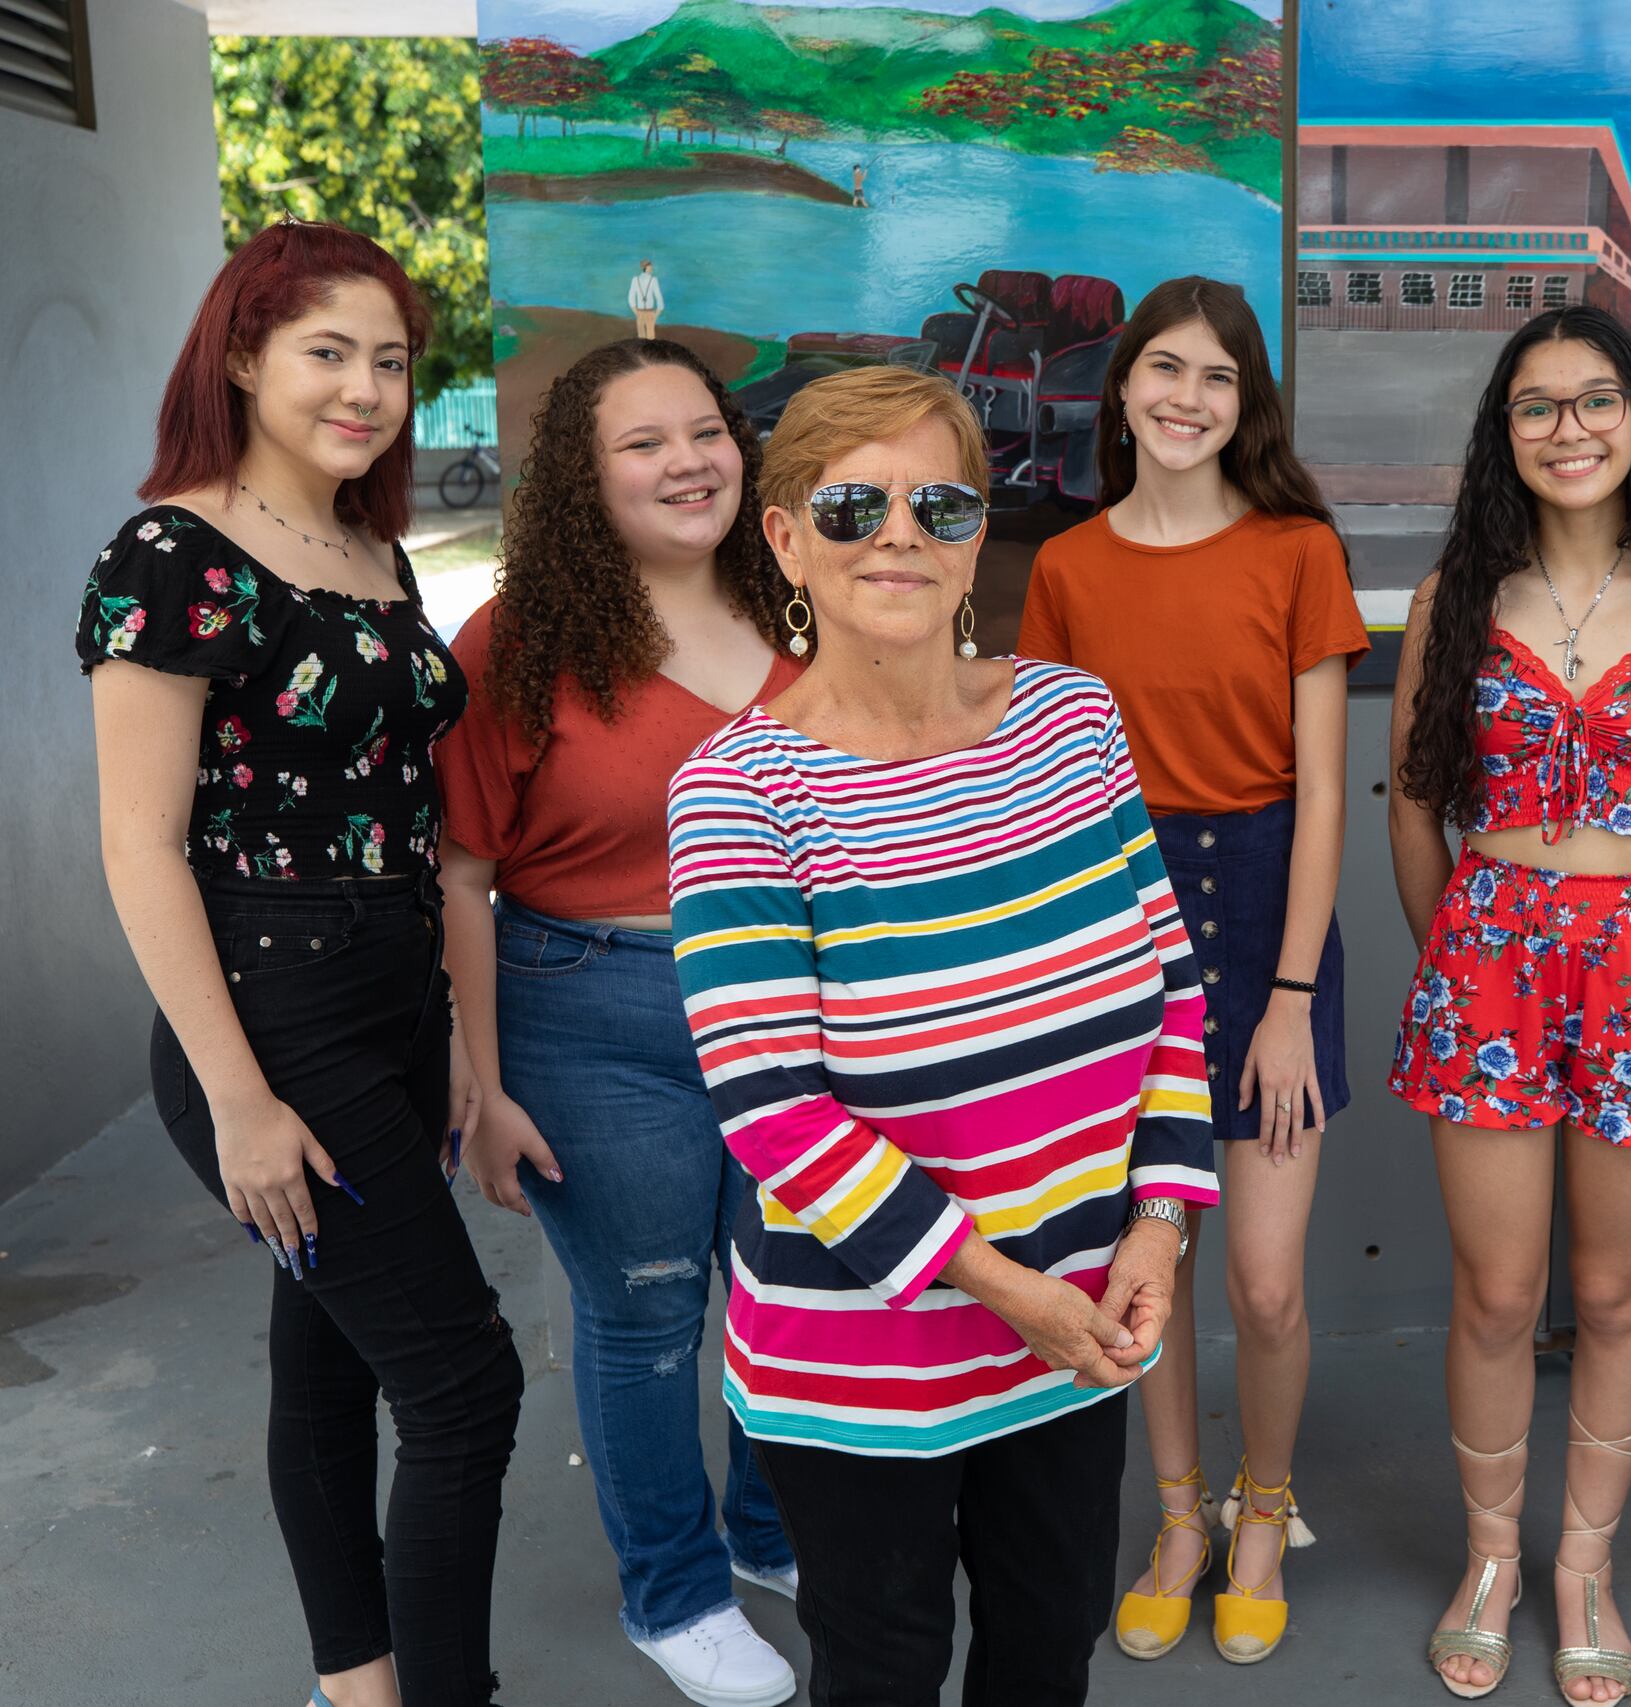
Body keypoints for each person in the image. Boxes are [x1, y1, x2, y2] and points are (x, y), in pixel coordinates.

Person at [666, 366, 1219, 1707]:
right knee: (885, 1661)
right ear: (787, 538)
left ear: (979, 535)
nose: (898, 532)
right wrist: (1005, 1285)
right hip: (864, 1357)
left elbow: (1170, 990)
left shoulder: (1072, 720)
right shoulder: (736, 790)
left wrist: (1156, 1226)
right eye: (852, 504)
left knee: (1051, 1636)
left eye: (940, 501)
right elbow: (777, 1112)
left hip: (1080, 1316)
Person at [77, 219, 522, 1707]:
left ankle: (362, 1684)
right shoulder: (172, 553)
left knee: (334, 1358)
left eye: (390, 359)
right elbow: (142, 848)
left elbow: (407, 805)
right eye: (328, 351)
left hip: (393, 989)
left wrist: (457, 1025)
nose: (366, 386)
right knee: (464, 1383)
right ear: (246, 353)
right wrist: (239, 1097)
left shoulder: (370, 542)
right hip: (270, 1011)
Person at [1386, 304, 1631, 1702]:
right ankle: (1493, 1556)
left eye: (1596, 400)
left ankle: (1584, 1565)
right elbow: (1418, 802)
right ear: (1505, 434)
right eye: (1537, 406)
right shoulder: (1456, 597)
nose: (1570, 429)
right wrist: (1457, 954)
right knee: (1499, 1290)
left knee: (1616, 1291)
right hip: (1485, 957)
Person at [437, 339, 801, 1707]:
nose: (688, 460)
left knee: (796, 1297)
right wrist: (483, 1080)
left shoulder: (805, 603)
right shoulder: (519, 638)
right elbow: (463, 873)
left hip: (790, 1013)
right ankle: (676, 1589)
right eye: (643, 442)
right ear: (584, 478)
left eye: (704, 430)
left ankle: (775, 1536)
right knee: (649, 1316)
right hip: (587, 1009)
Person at [1019, 276, 1368, 1668]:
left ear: (1247, 404)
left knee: (1267, 1283)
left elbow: (1328, 796)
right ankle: (1175, 1517)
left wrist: (1289, 1000)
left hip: (1268, 922)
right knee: (1136, 1270)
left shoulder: (1297, 549)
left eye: (1218, 377)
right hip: (1118, 933)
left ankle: (1263, 1507)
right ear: (1122, 389)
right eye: (1165, 368)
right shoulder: (1067, 570)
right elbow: (1048, 791)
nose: (1187, 396)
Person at [629, 261, 663, 340]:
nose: (652, 268)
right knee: (650, 338)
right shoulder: (653, 280)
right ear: (645, 267)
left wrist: (636, 312)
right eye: (650, 267)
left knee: (642, 337)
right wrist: (657, 313)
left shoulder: (635, 280)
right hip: (649, 312)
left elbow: (631, 297)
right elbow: (659, 297)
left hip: (641, 312)